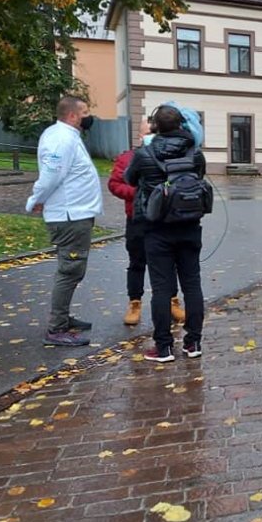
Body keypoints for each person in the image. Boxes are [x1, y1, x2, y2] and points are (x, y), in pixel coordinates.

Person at [125, 105, 206, 362]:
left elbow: (129, 179)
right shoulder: (195, 153)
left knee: (161, 288)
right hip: (189, 226)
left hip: (157, 228)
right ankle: (193, 344)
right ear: (182, 125)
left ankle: (163, 348)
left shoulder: (144, 153)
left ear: (154, 127)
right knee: (192, 285)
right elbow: (198, 179)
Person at [25, 96, 103, 347]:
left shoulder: (67, 136)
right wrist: (36, 199)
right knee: (70, 270)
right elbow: (51, 175)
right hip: (70, 217)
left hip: (75, 214)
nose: (88, 116)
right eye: (85, 112)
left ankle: (63, 318)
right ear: (72, 116)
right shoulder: (61, 138)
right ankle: (56, 328)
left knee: (72, 270)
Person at [108, 119, 187, 326]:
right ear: (139, 137)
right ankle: (134, 302)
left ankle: (172, 300)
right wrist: (138, 194)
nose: (150, 137)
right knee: (136, 262)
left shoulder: (169, 156)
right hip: (137, 219)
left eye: (154, 132)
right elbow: (115, 184)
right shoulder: (128, 158)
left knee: (168, 263)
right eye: (146, 133)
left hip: (164, 220)